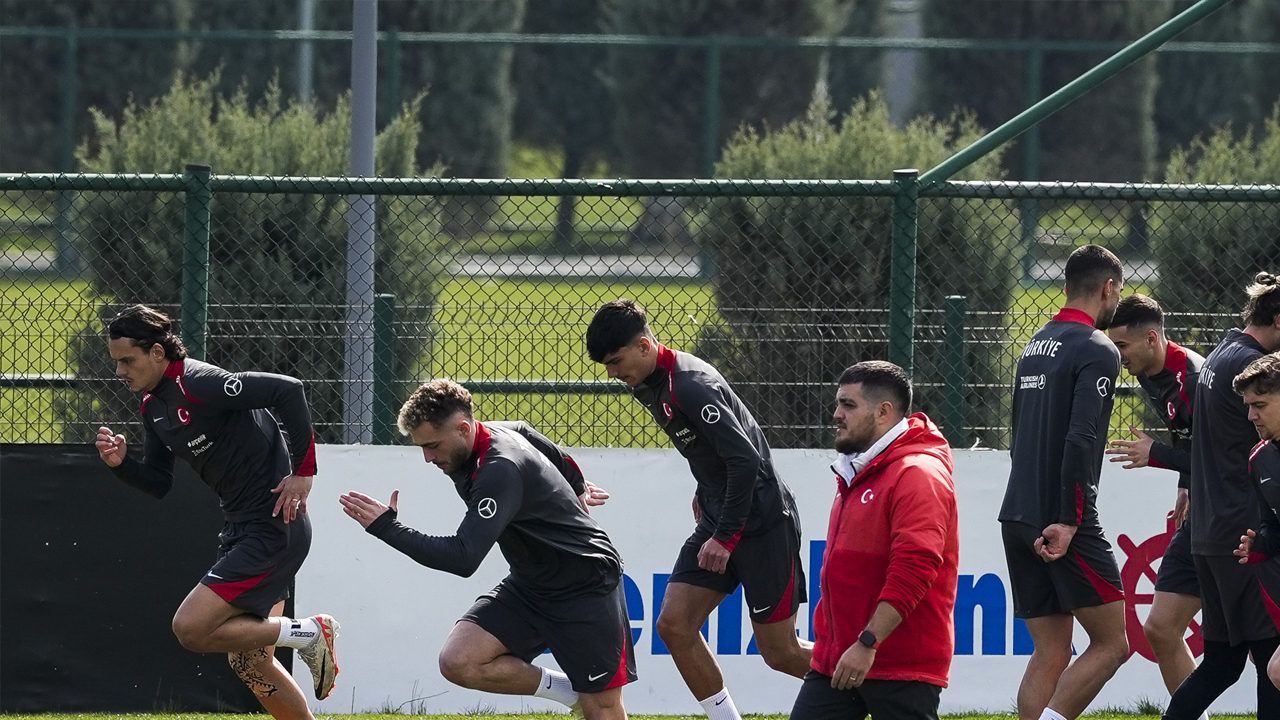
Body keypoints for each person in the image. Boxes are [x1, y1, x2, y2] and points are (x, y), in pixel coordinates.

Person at [93, 304, 339, 720]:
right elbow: (158, 482)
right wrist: (121, 466)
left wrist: (304, 472)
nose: (119, 372)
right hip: (242, 529)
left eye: (126, 360)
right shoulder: (153, 407)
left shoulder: (200, 383)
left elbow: (289, 389)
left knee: (189, 628)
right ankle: (305, 640)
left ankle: (309, 631)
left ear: (157, 353)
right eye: (116, 362)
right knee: (250, 662)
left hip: (273, 527)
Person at [339, 379, 633, 720]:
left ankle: (589, 696)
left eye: (432, 445)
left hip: (585, 586)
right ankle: (571, 692)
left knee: (604, 709)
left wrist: (386, 528)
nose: (427, 457)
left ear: (464, 428)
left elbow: (464, 557)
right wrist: (577, 483)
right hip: (532, 584)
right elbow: (526, 430)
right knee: (459, 661)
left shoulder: (499, 469)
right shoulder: (488, 435)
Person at [586, 299, 811, 720]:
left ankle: (887, 686)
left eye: (616, 362)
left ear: (644, 344)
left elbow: (746, 459)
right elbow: (714, 447)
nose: (613, 374)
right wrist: (703, 486)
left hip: (759, 523)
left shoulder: (688, 385)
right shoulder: (649, 380)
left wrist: (725, 537)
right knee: (675, 625)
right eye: (606, 366)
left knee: (781, 653)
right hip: (719, 512)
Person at [999, 244, 1129, 720]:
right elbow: (1081, 438)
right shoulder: (1097, 348)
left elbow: (1018, 437)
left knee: (1051, 652)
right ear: (1108, 288)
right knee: (1113, 643)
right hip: (1062, 517)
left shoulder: (1035, 343)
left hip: (1016, 511)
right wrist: (1071, 520)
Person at [790, 361, 958, 720]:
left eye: (848, 405)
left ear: (884, 412)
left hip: (897, 664)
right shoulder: (857, 468)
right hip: (837, 658)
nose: (836, 414)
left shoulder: (917, 473)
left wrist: (868, 643)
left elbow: (915, 568)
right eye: (837, 404)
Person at [1164, 273, 1280, 720]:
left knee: (1221, 665)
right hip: (1246, 538)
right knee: (1272, 664)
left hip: (1211, 534)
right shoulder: (1251, 367)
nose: (1256, 412)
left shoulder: (1219, 355)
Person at [1103, 294, 1205, 712]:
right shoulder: (1150, 370)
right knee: (1161, 629)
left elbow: (1225, 460)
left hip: (1237, 519)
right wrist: (1185, 485)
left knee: (1257, 645)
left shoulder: (1195, 380)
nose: (1117, 355)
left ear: (1150, 338)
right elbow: (1189, 436)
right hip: (1203, 513)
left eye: (1122, 346)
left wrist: (1157, 455)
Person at [1232, 352, 1280, 693]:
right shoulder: (1260, 459)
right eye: (1249, 405)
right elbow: (1271, 525)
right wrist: (1262, 544)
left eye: (1260, 405)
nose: (1251, 415)